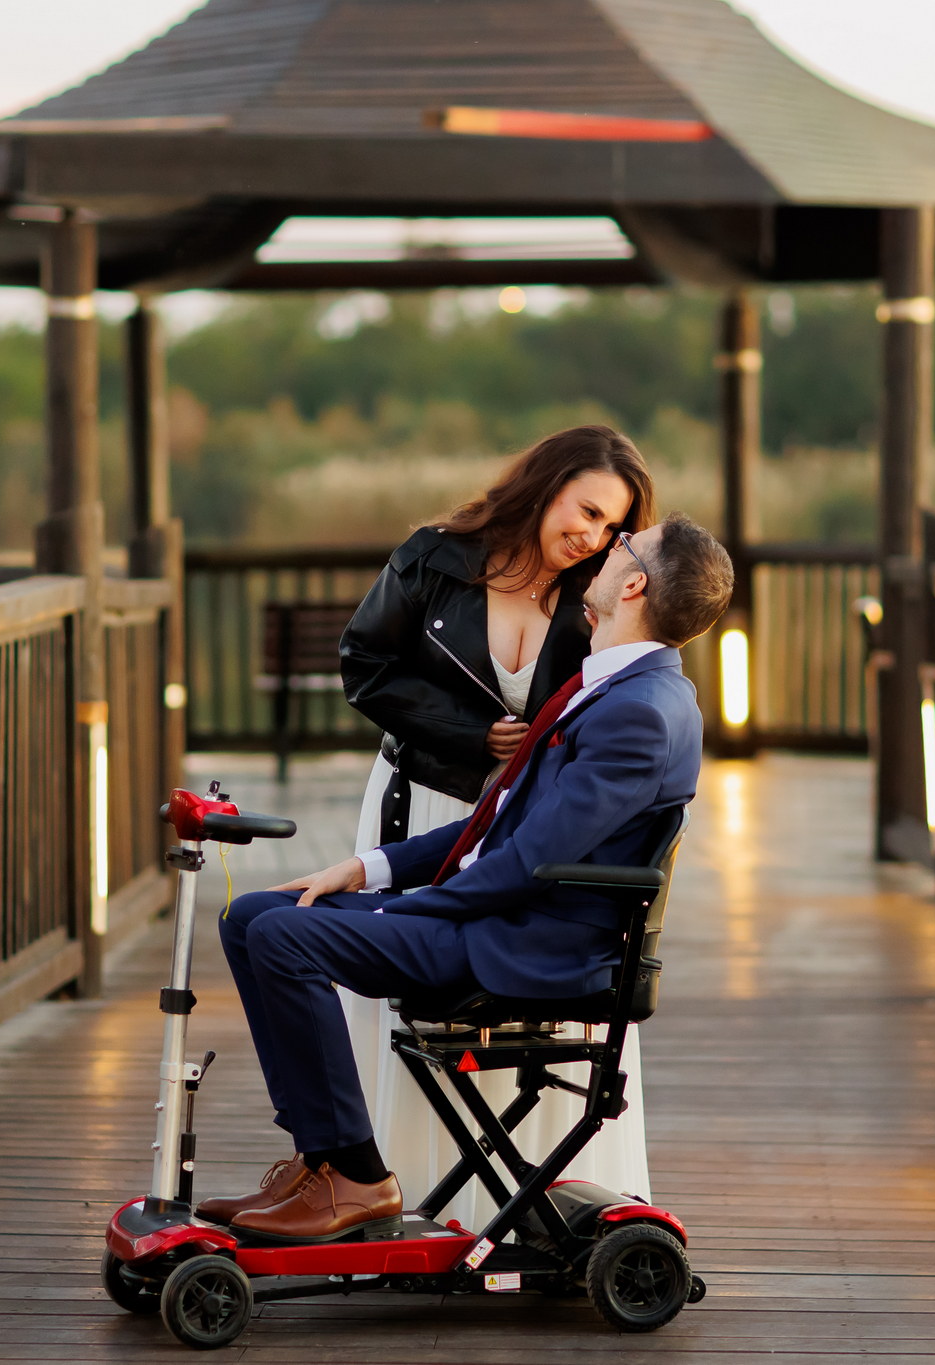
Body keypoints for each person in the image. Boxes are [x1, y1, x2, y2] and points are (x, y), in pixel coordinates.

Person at [204, 513, 735, 1242]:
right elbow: (502, 823)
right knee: (251, 915)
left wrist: (408, 910)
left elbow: (524, 864)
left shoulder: (639, 711)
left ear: (635, 582)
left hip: (523, 946)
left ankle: (357, 1175)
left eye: (624, 546)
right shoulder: (610, 687)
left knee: (284, 938)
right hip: (497, 919)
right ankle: (320, 1160)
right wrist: (367, 869)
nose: (610, 548)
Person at [335, 426, 656, 1226]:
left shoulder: (600, 597)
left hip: (532, 830)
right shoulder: (432, 556)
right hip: (425, 805)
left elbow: (612, 707)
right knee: (410, 997)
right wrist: (469, 733)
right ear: (547, 485)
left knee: (524, 1006)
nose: (591, 535)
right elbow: (362, 666)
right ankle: (399, 1202)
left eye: (612, 528)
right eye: (585, 509)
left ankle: (533, 1212)